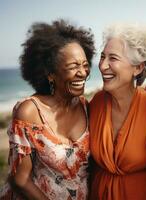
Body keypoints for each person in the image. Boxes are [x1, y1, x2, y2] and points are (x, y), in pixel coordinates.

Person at [0, 19, 95, 199]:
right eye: (73, 66)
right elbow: (19, 180)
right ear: (50, 74)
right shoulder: (29, 112)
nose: (83, 72)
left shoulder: (85, 107)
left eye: (84, 64)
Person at [89, 23, 146, 200]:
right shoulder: (97, 102)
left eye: (113, 58)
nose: (103, 66)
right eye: (102, 57)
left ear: (137, 68)